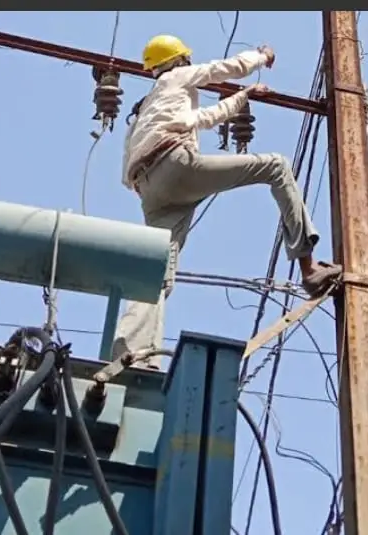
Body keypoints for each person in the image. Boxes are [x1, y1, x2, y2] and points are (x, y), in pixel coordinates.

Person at [110, 34, 342, 370]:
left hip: (150, 192)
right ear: (179, 61)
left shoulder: (147, 110)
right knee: (276, 166)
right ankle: (310, 269)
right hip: (174, 164)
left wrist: (244, 96)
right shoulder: (177, 77)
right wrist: (261, 56)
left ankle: (131, 353)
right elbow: (221, 69)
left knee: (154, 272)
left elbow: (205, 118)